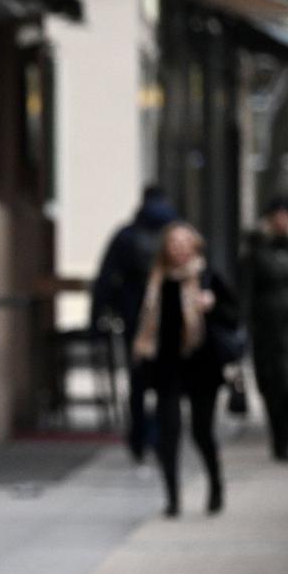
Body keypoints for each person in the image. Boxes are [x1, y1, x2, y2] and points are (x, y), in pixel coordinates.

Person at [131, 222, 237, 517]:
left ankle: (216, 485)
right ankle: (172, 498)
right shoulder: (155, 281)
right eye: (173, 243)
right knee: (169, 433)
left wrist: (212, 305)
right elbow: (142, 321)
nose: (178, 248)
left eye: (184, 242)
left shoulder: (207, 277)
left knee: (202, 432)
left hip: (203, 366)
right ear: (165, 248)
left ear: (195, 247)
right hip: (167, 367)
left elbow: (234, 317)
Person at [93, 186, 179, 462]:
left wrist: (95, 321)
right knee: (168, 382)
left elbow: (105, 280)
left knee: (138, 382)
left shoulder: (127, 235)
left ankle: (139, 438)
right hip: (169, 319)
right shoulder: (177, 235)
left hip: (135, 318)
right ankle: (165, 436)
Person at [241, 195, 288, 462]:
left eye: (287, 215)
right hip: (266, 327)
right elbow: (247, 287)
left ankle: (286, 440)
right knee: (269, 386)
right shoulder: (258, 249)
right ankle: (278, 437)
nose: (282, 221)